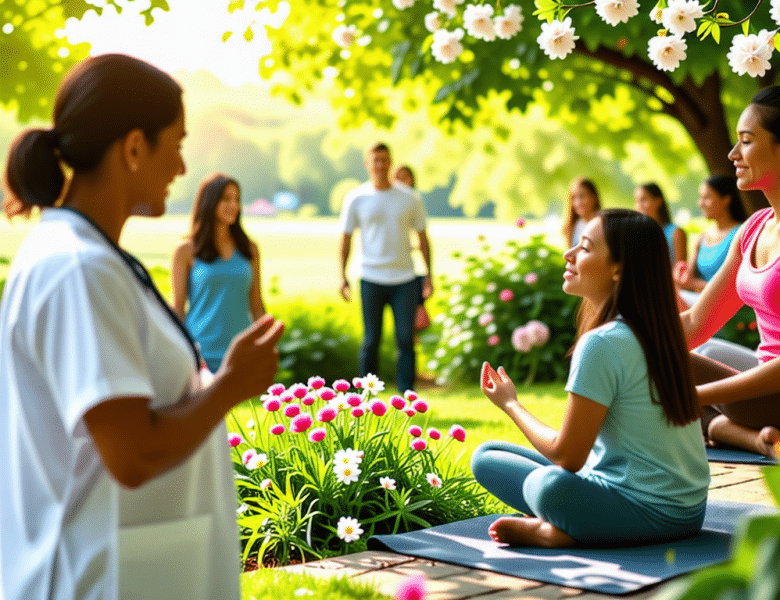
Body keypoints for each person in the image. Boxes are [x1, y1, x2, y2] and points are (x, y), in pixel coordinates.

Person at [0, 54, 284, 600]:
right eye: (176, 144)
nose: (181, 166)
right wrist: (231, 384)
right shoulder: (79, 269)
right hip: (93, 576)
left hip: (129, 565)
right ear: (134, 148)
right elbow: (133, 453)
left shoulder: (89, 256)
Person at [471, 209, 708, 547]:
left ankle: (556, 533)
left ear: (618, 269)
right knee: (488, 455)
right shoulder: (657, 330)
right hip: (689, 511)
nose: (569, 254)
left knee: (548, 485)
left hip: (652, 513)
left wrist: (511, 404)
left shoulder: (602, 343)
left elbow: (567, 456)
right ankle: (576, 523)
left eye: (584, 247)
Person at [683, 86, 780, 459]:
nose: (732, 153)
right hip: (763, 386)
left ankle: (726, 429)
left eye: (747, 141)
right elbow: (695, 323)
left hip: (773, 390)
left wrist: (696, 395)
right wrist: (622, 335)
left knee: (672, 370)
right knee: (656, 352)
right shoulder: (753, 228)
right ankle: (758, 440)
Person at [339, 143, 432, 393]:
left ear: (390, 162)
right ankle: (366, 396)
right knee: (371, 340)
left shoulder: (409, 198)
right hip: (371, 277)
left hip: (404, 279)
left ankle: (407, 395)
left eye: (384, 160)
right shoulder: (356, 198)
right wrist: (342, 276)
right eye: (375, 160)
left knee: (405, 339)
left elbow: (423, 238)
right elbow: (345, 238)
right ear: (367, 164)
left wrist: (428, 276)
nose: (380, 165)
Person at [171, 173, 266, 373]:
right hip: (200, 353)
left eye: (236, 199)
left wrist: (266, 344)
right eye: (226, 199)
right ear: (209, 202)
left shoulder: (249, 249)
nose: (234, 205)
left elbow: (257, 305)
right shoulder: (185, 250)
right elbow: (178, 309)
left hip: (242, 353)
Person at [674, 175, 746, 307]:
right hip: (709, 306)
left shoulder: (742, 233)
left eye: (706, 198)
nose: (700, 203)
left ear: (726, 199)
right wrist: (680, 273)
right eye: (700, 198)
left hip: (736, 309)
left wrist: (696, 284)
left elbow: (739, 288)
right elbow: (686, 281)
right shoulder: (702, 238)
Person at [393, 164, 432, 333]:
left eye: (406, 177)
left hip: (409, 267)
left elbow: (421, 236)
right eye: (398, 177)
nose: (402, 181)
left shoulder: (414, 201)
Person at [634, 182, 688, 264]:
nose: (639, 206)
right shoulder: (637, 236)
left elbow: (680, 268)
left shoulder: (675, 233)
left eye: (643, 200)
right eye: (636, 201)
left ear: (658, 201)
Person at [561, 177, 601, 248]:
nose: (578, 202)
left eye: (582, 196)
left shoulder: (603, 225)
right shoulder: (573, 227)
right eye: (574, 197)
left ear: (594, 197)